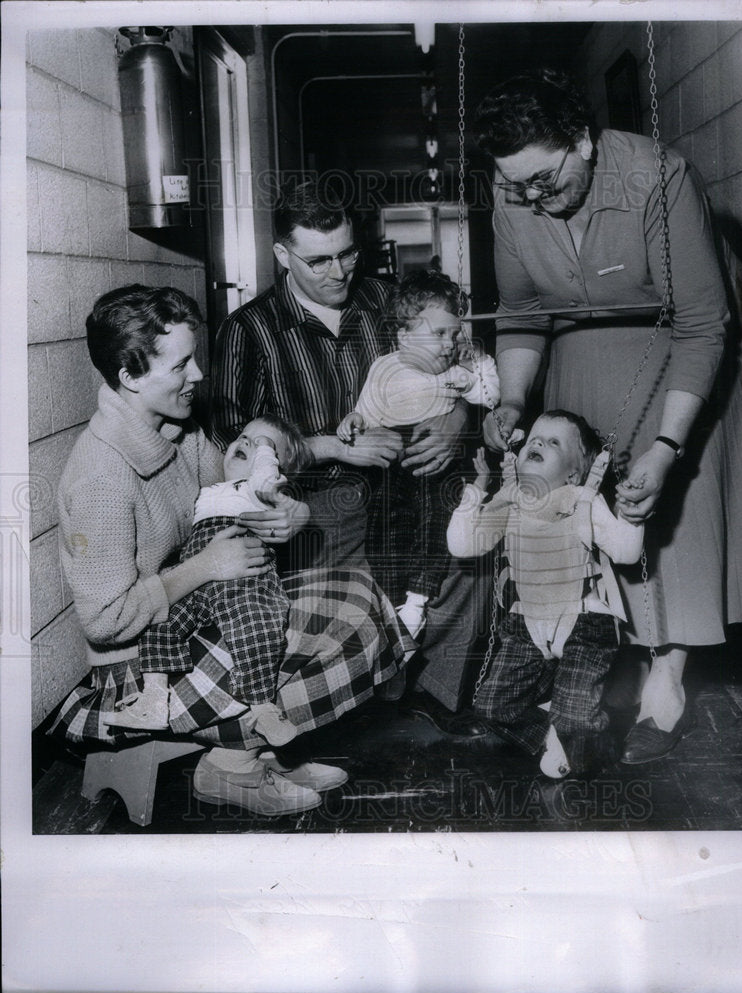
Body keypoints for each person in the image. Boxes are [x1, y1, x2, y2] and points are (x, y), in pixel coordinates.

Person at [474, 69, 742, 763]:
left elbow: (704, 325)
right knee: (598, 498)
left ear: (583, 141)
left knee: (673, 500)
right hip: (592, 333)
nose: (530, 197)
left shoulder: (659, 177)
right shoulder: (514, 191)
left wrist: (669, 446)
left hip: (694, 336)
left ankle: (668, 676)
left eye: (544, 180)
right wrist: (515, 400)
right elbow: (525, 312)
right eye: (515, 184)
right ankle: (621, 647)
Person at [48, 285, 412, 818]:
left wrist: (292, 511)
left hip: (197, 618)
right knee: (303, 624)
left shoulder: (178, 431)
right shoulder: (101, 475)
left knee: (355, 594)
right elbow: (105, 620)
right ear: (130, 376)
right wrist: (203, 567)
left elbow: (242, 483)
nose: (198, 376)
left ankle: (261, 748)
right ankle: (233, 767)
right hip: (140, 669)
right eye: (181, 365)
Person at [211, 181, 491, 736]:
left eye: (346, 253)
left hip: (409, 480)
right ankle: (364, 697)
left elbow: (465, 357)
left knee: (468, 553)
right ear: (282, 256)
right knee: (349, 594)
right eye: (318, 261)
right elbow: (232, 445)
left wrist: (457, 420)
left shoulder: (387, 302)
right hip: (317, 497)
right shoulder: (248, 330)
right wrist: (330, 445)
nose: (337, 272)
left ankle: (432, 692)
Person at [448, 411, 643, 776]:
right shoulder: (508, 500)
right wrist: (476, 489)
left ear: (573, 474)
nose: (537, 443)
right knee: (490, 709)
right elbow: (462, 544)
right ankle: (551, 732)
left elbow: (627, 553)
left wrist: (632, 515)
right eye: (533, 439)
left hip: (584, 621)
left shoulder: (582, 500)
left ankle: (573, 725)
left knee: (579, 733)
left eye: (554, 443)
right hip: (526, 623)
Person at [106, 414, 311, 749]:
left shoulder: (260, 492)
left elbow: (269, 482)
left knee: (256, 623)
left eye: (263, 444)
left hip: (242, 578)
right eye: (244, 436)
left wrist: (278, 478)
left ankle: (263, 707)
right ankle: (153, 700)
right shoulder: (210, 488)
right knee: (159, 619)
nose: (247, 443)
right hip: (197, 572)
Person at [337, 269, 500, 638]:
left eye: (454, 333)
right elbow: (367, 409)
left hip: (439, 462)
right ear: (404, 335)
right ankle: (392, 600)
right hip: (393, 460)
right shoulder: (384, 368)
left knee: (433, 522)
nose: (448, 343)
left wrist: (479, 366)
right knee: (384, 524)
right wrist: (353, 420)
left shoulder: (456, 371)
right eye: (439, 333)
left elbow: (489, 397)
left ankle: (417, 600)